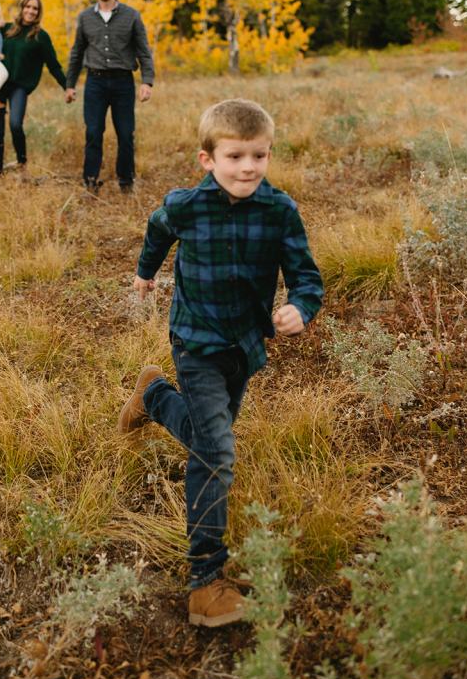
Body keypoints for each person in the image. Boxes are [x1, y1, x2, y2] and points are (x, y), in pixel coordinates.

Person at [118, 99, 323, 628]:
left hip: (245, 346)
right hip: (194, 341)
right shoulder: (186, 205)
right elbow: (158, 228)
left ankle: (154, 397)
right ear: (208, 159)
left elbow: (306, 275)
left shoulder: (280, 211)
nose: (248, 167)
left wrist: (300, 307)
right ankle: (205, 583)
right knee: (216, 455)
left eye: (259, 155)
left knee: (213, 439)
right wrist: (146, 274)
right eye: (235, 156)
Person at [64, 0, 154, 192]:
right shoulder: (85, 17)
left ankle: (126, 182)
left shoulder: (131, 15)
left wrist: (147, 81)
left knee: (125, 133)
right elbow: (77, 52)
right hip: (95, 83)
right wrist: (70, 85)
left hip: (123, 82)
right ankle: (91, 181)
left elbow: (144, 51)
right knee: (93, 132)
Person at [0, 0, 67, 175]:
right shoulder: (5, 29)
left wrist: (67, 86)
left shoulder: (40, 37)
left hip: (19, 87)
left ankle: (22, 161)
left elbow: (53, 65)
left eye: (35, 8)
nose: (31, 11)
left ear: (39, 13)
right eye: (28, 7)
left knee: (16, 124)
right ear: (22, 8)